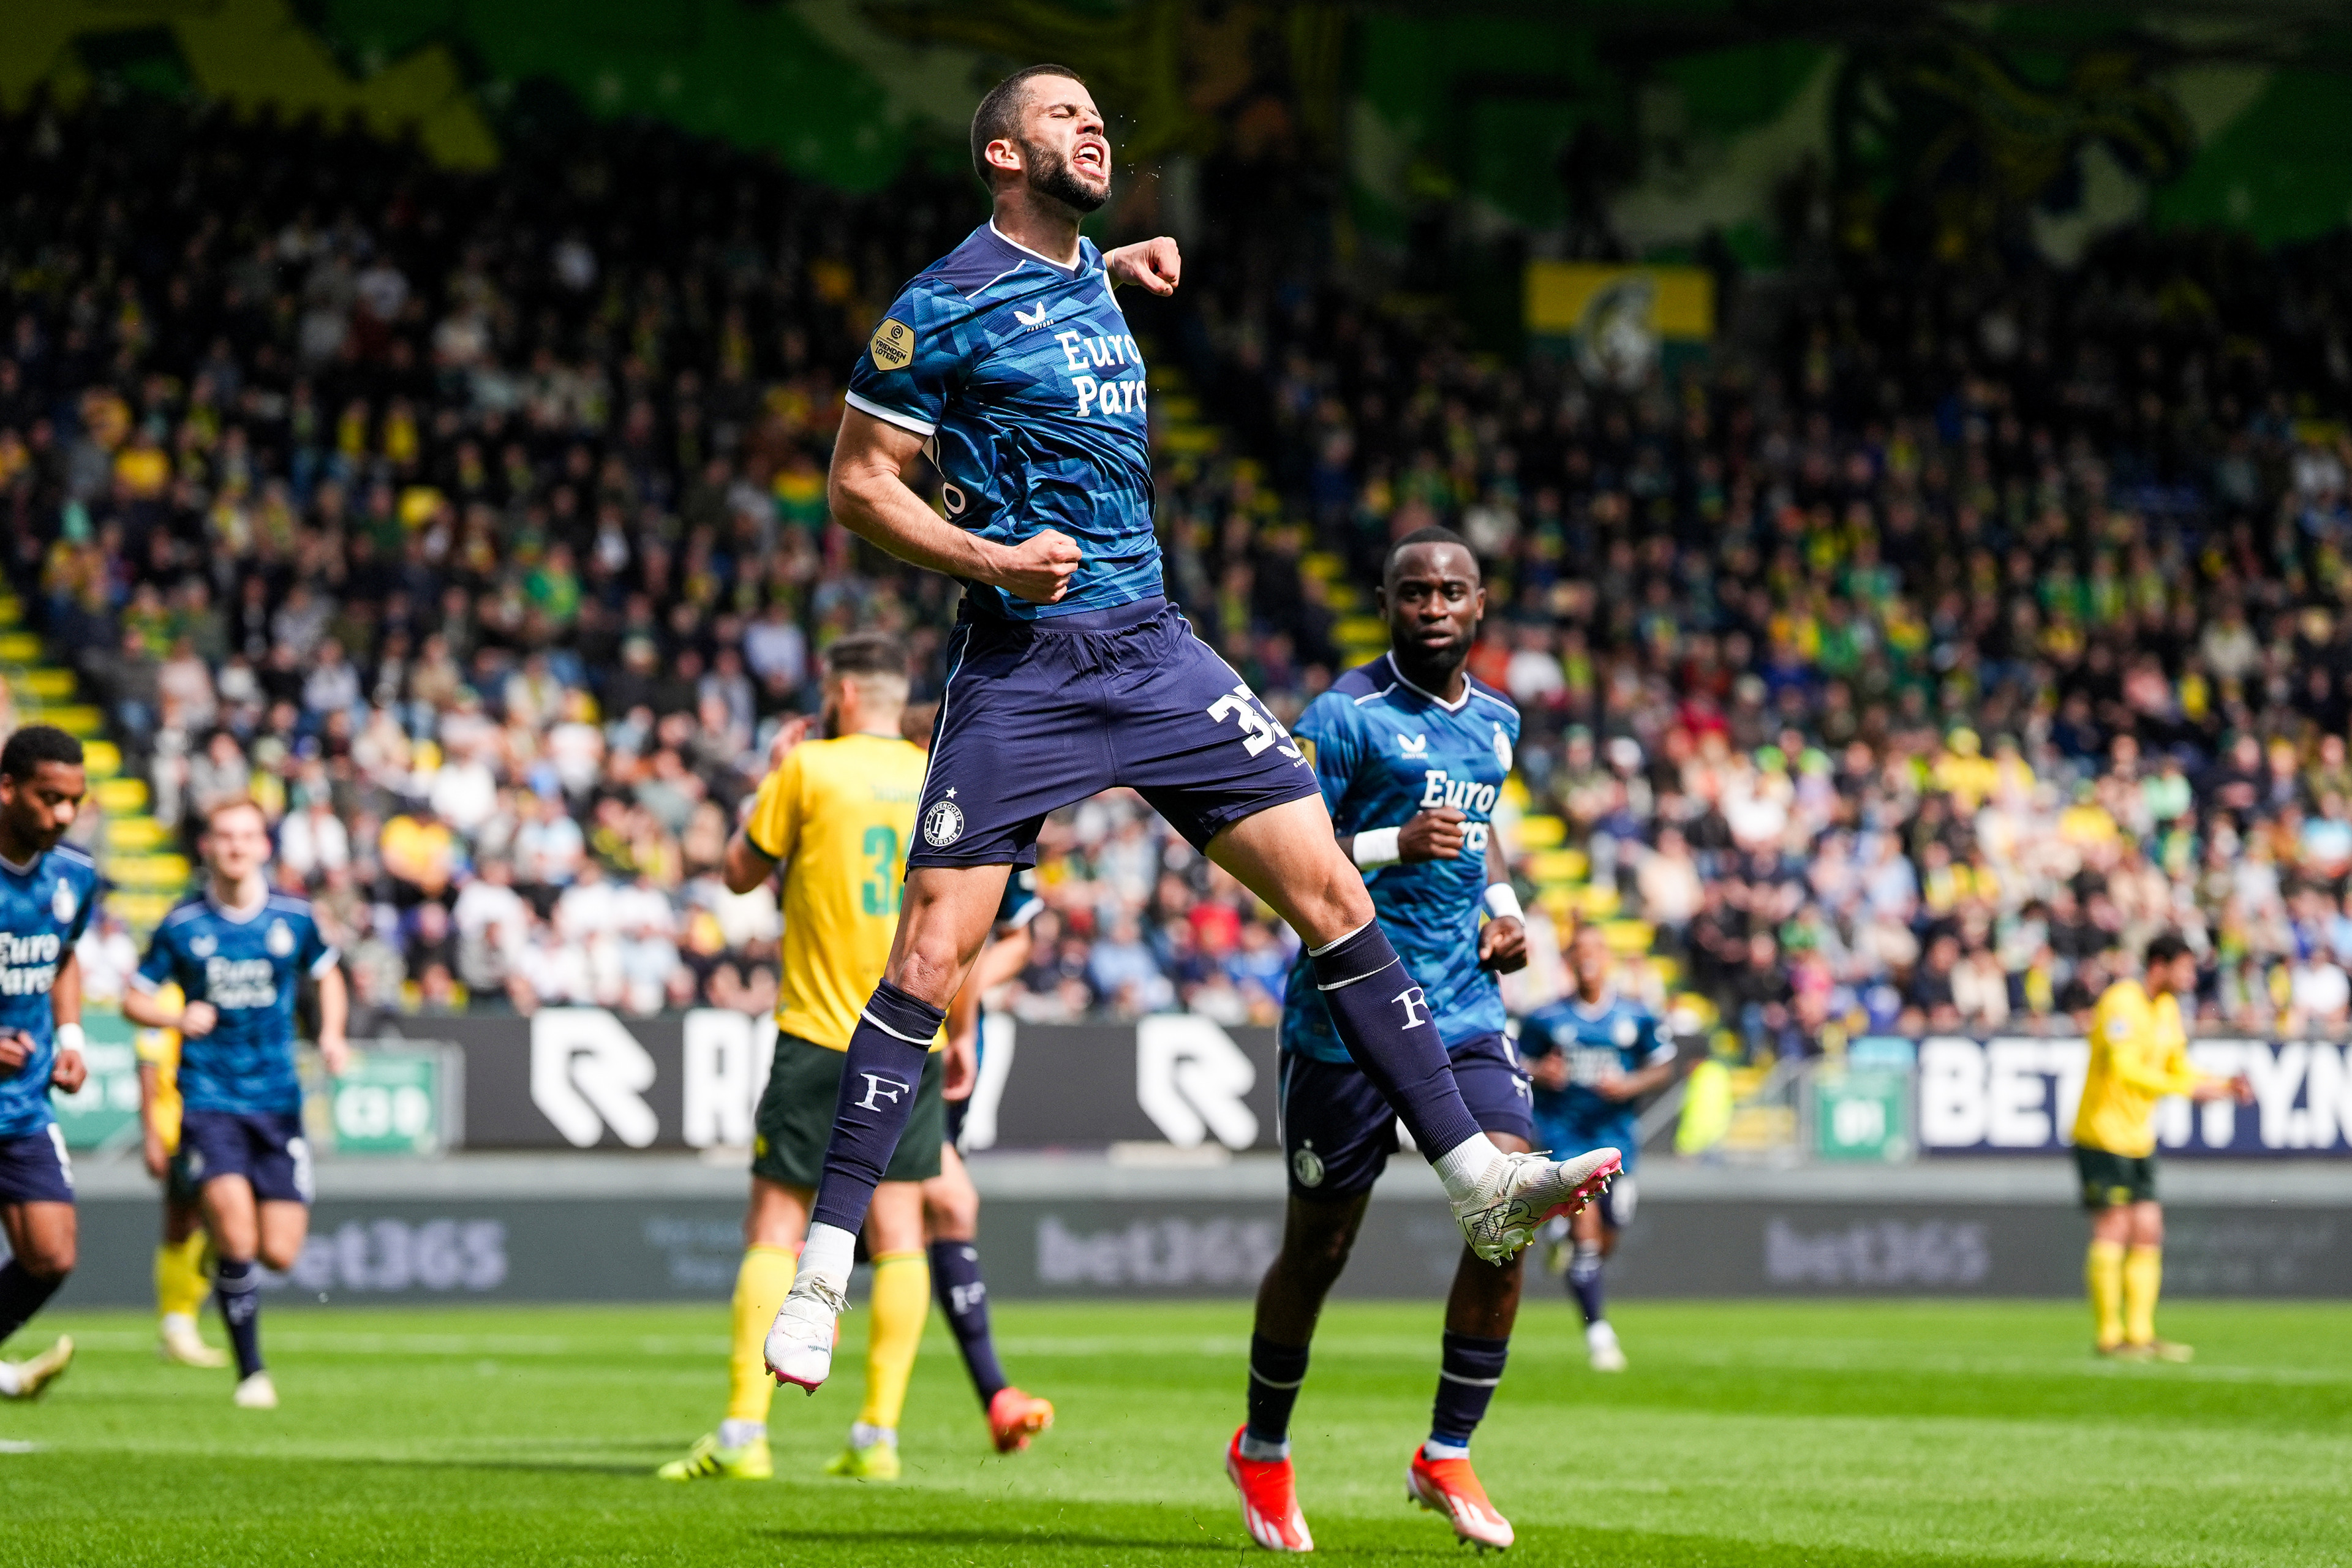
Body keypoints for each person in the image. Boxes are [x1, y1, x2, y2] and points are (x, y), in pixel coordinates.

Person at [766, 61, 1616, 1392]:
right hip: (1024, 661)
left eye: (1099, 115)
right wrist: (990, 563)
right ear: (1001, 155)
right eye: (1062, 114)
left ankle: (1474, 1177)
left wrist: (1120, 262)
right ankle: (822, 1266)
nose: (1093, 126)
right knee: (932, 951)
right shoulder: (939, 304)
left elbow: (1076, 282)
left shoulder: (1088, 269)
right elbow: (860, 487)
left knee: (1337, 888)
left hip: (1156, 646)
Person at [1226, 529, 1572, 1554]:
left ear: (1480, 608)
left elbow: (1482, 823)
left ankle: (1446, 1450)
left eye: (1450, 592)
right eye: (1413, 591)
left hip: (1464, 1010)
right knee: (1320, 1250)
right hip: (1347, 1018)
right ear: (1386, 603)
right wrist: (1390, 845)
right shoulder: (1342, 717)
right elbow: (1278, 850)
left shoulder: (1500, 722)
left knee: (1509, 1204)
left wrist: (1501, 904)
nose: (1432, 606)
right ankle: (1267, 1449)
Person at [660, 635, 946, 1485]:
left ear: (848, 692)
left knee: (776, 1229)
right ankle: (877, 1438)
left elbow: (741, 872)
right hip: (911, 1033)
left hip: (820, 1031)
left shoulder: (812, 768)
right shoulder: (938, 774)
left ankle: (747, 1433)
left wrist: (770, 775)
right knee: (898, 1235)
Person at [122, 797, 349, 1408]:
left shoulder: (293, 918)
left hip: (277, 1100)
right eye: (225, 836)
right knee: (237, 1235)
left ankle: (216, 1278)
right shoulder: (182, 924)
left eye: (248, 835)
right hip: (209, 1098)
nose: (236, 846)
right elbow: (133, 999)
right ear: (207, 846)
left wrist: (330, 1033)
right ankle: (252, 1371)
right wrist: (175, 1012)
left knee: (278, 1251)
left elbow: (328, 973)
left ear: (265, 845)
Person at [903, 701, 1056, 1454]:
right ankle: (989, 1394)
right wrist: (957, 996)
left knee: (912, 1214)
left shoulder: (991, 805)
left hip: (953, 1038)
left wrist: (969, 982)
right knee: (944, 1204)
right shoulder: (921, 813)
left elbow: (1019, 936)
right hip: (913, 1039)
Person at [2076, 933, 2252, 1361]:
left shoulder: (2168, 1009)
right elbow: (2124, 1071)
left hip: (2139, 1137)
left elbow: (2177, 1066)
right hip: (2102, 1134)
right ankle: (2109, 1336)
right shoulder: (2121, 1003)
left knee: (2149, 1229)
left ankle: (2140, 1334)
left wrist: (2220, 1084)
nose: (2192, 976)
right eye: (2186, 967)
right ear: (2160, 965)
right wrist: (2188, 1091)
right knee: (2114, 1226)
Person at [1520, 922, 1678, 1373]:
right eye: (1579, 951)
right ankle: (1600, 1335)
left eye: (1595, 949)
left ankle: (1558, 1235)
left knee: (1608, 1233)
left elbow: (1662, 1066)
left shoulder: (1635, 1016)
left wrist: (1629, 1084)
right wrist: (1539, 1071)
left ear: (1607, 958)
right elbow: (1515, 1060)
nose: (1588, 958)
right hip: (1563, 1137)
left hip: (1616, 1141)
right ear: (1569, 962)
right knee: (1587, 1236)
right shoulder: (1547, 1018)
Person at [0, 726, 99, 1402]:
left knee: (51, 1255)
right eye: (48, 798)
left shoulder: (75, 876)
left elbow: (62, 955)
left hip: (24, 1101)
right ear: (7, 788)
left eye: (74, 800)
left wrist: (71, 1036)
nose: (63, 815)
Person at [134, 983, 230, 1367]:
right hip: (179, 1126)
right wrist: (152, 1135)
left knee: (222, 1225)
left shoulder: (225, 984)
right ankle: (178, 1326)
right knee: (185, 1223)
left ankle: (181, 1322)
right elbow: (148, 1064)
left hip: (225, 1123)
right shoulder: (168, 997)